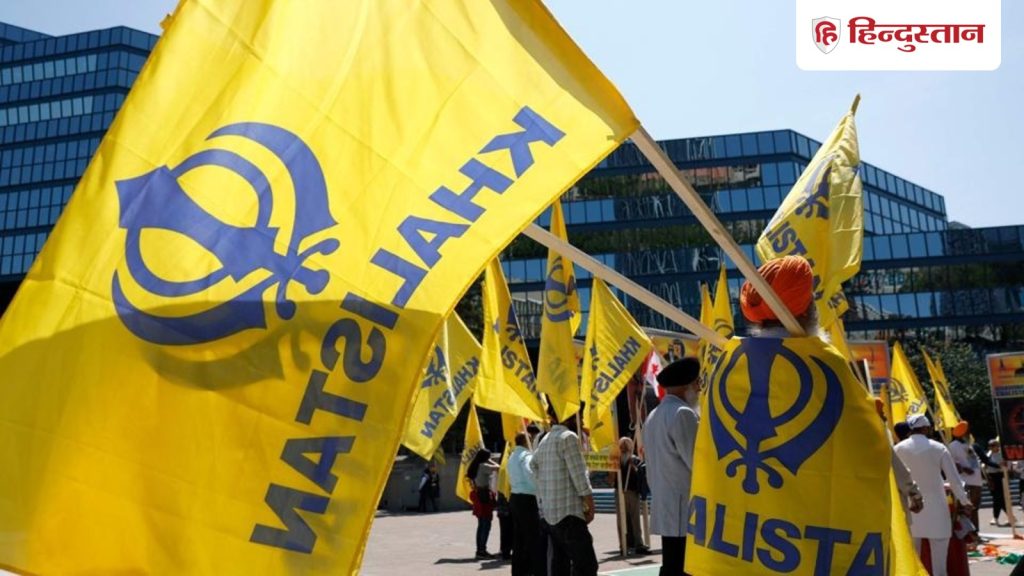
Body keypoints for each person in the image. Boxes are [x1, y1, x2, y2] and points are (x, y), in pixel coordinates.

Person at [893, 414, 973, 576]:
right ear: (926, 428)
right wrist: (965, 501)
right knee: (940, 567)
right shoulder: (939, 448)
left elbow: (894, 478)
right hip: (937, 510)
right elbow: (954, 480)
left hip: (911, 509)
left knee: (913, 563)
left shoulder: (898, 449)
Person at [642, 357, 701, 576]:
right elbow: (696, 462)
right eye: (697, 383)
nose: (699, 389)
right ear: (688, 385)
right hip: (683, 505)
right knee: (683, 566)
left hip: (665, 501)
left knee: (672, 562)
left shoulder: (653, 415)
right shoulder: (683, 413)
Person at [531, 408, 598, 576]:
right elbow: (580, 478)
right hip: (569, 514)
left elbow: (533, 466)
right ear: (569, 417)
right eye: (579, 417)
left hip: (551, 516)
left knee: (560, 566)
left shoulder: (544, 440)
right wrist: (590, 505)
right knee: (586, 566)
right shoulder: (568, 437)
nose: (581, 421)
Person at [508, 432, 544, 576]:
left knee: (519, 539)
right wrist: (540, 487)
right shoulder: (526, 456)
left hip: (515, 497)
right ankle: (537, 570)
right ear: (526, 441)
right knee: (534, 538)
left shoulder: (512, 456)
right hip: (527, 498)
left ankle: (518, 571)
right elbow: (531, 475)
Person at [947, 421, 983, 533]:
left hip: (976, 481)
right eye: (967, 430)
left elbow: (975, 462)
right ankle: (967, 534)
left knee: (975, 508)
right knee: (966, 509)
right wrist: (963, 469)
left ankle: (975, 532)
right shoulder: (953, 446)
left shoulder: (968, 444)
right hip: (965, 482)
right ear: (962, 432)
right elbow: (951, 463)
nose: (969, 432)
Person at [618, 436, 649, 556]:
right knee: (622, 520)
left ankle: (638, 544)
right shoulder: (616, 460)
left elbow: (641, 473)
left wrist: (634, 467)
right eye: (622, 445)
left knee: (635, 519)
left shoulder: (634, 459)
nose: (624, 448)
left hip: (632, 491)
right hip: (620, 492)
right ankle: (625, 544)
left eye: (626, 445)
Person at [468, 449, 500, 559]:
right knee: (486, 524)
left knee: (481, 525)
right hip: (484, 496)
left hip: (478, 495)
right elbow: (498, 467)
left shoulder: (475, 465)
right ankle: (482, 551)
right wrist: (490, 460)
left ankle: (480, 550)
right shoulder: (483, 466)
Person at [985, 438, 1007, 526]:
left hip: (1000, 476)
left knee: (999, 498)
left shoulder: (1002, 454)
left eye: (993, 445)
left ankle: (996, 517)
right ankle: (1008, 516)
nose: (991, 447)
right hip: (992, 477)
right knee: (997, 498)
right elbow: (985, 465)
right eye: (990, 446)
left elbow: (1005, 465)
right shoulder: (988, 454)